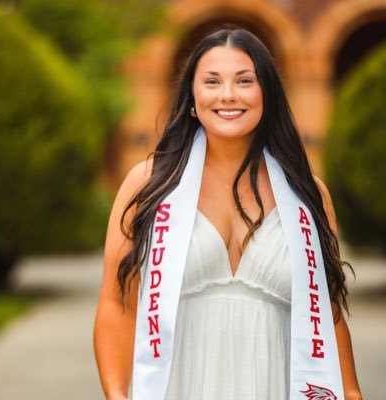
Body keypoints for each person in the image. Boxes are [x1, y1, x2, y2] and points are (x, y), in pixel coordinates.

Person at [94, 28, 362, 400]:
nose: (228, 95)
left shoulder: (307, 193)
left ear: (266, 93)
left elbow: (328, 310)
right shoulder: (149, 184)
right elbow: (116, 300)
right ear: (192, 97)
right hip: (177, 386)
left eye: (244, 81)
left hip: (280, 385)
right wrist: (117, 394)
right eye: (212, 81)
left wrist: (349, 391)